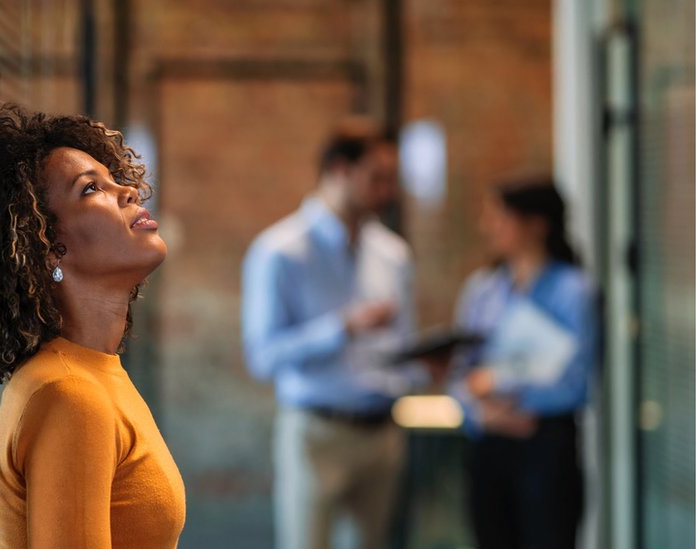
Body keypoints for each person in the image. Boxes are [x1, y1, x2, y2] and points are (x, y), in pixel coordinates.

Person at [0, 103, 186, 549]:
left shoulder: (88, 374)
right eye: (91, 189)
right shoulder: (70, 394)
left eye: (113, 179)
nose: (127, 191)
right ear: (47, 246)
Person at [241, 118, 426, 549]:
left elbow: (400, 347)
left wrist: (422, 365)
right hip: (315, 433)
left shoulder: (393, 254)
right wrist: (342, 329)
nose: (388, 192)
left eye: (391, 180)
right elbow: (262, 357)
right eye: (377, 178)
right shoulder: (279, 252)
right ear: (340, 169)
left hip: (383, 433)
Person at [448, 178, 595, 549]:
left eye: (501, 217)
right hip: (489, 444)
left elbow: (578, 381)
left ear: (536, 224)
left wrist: (518, 405)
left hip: (545, 444)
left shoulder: (574, 292)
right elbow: (460, 372)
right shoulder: (482, 290)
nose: (489, 227)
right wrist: (480, 412)